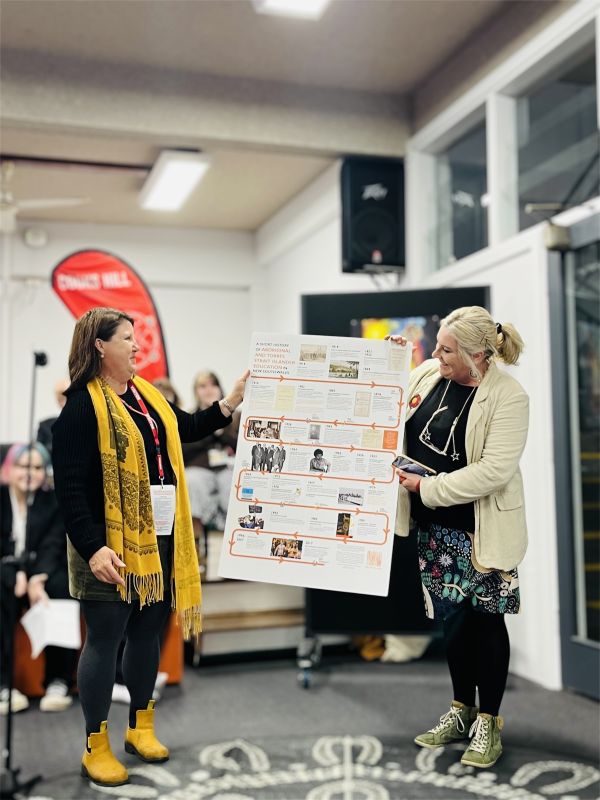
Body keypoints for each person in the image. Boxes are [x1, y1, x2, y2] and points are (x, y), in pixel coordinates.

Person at [52, 307, 248, 788]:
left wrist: (230, 402)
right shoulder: (80, 407)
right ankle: (95, 745)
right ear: (100, 347)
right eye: (126, 338)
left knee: (147, 633)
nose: (136, 346)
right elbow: (70, 491)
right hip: (106, 547)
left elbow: (187, 427)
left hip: (157, 538)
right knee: (105, 638)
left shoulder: (147, 398)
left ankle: (140, 728)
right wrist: (94, 549)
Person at [389, 305, 528, 769]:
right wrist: (389, 364)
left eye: (447, 350)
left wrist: (427, 488)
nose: (436, 355)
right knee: (452, 622)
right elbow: (392, 408)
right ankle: (460, 709)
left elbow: (494, 471)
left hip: (481, 531)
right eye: (437, 346)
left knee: (487, 624)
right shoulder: (429, 374)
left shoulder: (508, 396)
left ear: (477, 356)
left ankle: (489, 721)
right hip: (436, 529)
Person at [0, 442, 77, 714]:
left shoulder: (52, 499)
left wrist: (37, 578)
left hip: (41, 568)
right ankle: (3, 686)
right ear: (9, 468)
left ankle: (58, 681)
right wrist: (16, 574)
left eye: (37, 467)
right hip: (5, 568)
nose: (30, 473)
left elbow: (53, 543)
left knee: (61, 586)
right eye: (23, 466)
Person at [182, 371, 241, 542]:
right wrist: (209, 423)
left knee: (234, 483)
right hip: (199, 469)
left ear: (220, 388)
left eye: (212, 384)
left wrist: (221, 426)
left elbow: (241, 446)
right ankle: (195, 545)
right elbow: (185, 449)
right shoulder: (190, 418)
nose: (208, 390)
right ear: (196, 391)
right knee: (191, 482)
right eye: (203, 386)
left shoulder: (236, 416)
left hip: (227, 468)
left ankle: (232, 541)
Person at [36, 378, 70, 455]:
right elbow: (39, 455)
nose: (66, 402)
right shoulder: (45, 426)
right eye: (61, 399)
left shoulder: (89, 425)